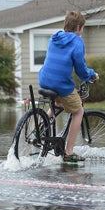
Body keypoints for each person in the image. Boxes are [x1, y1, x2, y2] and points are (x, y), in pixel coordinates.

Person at [38, 11, 99, 163]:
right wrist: (92, 75)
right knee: (78, 111)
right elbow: (81, 69)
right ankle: (69, 152)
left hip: (45, 79)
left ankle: (41, 127)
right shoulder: (77, 42)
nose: (82, 31)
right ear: (78, 27)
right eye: (82, 28)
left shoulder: (55, 37)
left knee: (59, 103)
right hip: (60, 83)